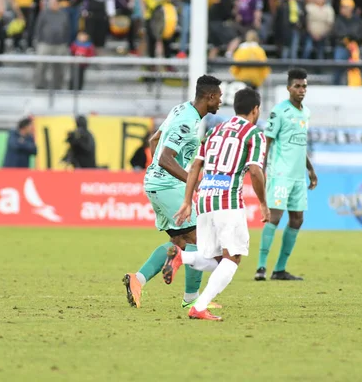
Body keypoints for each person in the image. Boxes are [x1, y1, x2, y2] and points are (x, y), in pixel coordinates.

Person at [162, 88, 269, 321]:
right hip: (227, 200)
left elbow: (195, 167)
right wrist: (263, 204)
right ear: (255, 110)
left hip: (204, 198)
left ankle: (182, 257)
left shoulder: (214, 130)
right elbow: (255, 170)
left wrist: (186, 201)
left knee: (216, 258)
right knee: (234, 258)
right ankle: (199, 306)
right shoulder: (254, 134)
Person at [122, 75, 223, 309]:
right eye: (218, 97)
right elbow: (167, 158)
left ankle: (137, 280)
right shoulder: (187, 121)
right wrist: (192, 183)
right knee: (200, 240)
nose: (220, 102)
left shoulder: (181, 110)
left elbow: (154, 140)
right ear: (209, 97)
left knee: (179, 243)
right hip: (167, 186)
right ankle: (191, 301)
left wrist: (155, 172)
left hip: (158, 184)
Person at [254, 68, 318, 282]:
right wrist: (260, 169)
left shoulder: (305, 113)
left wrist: (310, 169)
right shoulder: (279, 111)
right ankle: (261, 267)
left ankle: (279, 269)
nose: (301, 90)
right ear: (289, 88)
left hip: (298, 175)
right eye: (297, 86)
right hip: (280, 173)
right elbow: (268, 141)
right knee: (275, 216)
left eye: (304, 86)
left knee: (297, 219)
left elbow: (301, 144)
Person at [34, 0, 70, 90]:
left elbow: (67, 28)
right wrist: (39, 40)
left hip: (60, 44)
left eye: (55, 2)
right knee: (41, 66)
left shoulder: (63, 14)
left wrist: (65, 42)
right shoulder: (43, 14)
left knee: (59, 68)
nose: (53, 4)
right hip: (45, 43)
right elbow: (38, 27)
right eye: (51, 3)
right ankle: (40, 85)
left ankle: (58, 86)